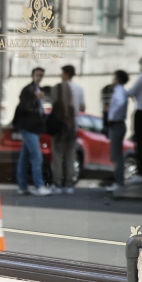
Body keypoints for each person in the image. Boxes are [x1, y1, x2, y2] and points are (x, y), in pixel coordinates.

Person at [14, 67, 51, 197]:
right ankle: (39, 185)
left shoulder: (37, 90)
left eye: (41, 75)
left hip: (34, 128)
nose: (39, 77)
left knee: (25, 158)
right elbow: (26, 106)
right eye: (37, 74)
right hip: (28, 128)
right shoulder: (29, 90)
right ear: (32, 75)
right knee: (37, 156)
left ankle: (22, 186)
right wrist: (35, 98)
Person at [50, 65, 84, 195]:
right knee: (70, 155)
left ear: (66, 74)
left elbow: (54, 105)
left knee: (57, 155)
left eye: (62, 72)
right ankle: (69, 184)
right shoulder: (79, 89)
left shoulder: (56, 88)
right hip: (72, 126)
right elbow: (82, 107)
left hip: (59, 126)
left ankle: (57, 184)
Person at [106, 70, 129, 192]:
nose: (112, 80)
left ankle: (119, 181)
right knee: (116, 154)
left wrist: (112, 116)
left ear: (118, 79)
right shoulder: (120, 90)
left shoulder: (119, 90)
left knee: (116, 155)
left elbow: (120, 102)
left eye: (114, 78)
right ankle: (118, 181)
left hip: (117, 124)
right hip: (118, 124)